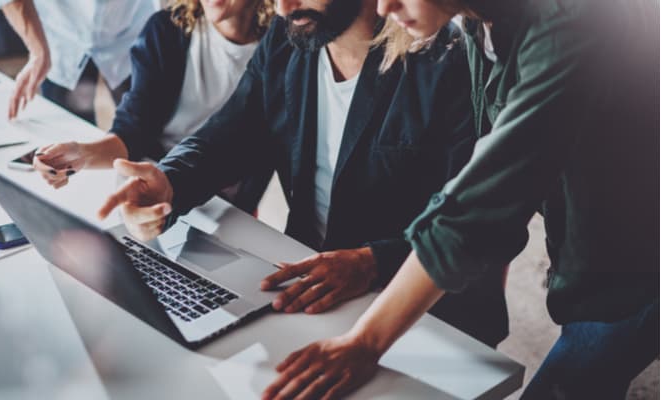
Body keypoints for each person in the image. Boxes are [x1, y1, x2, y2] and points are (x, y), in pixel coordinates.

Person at [263, 0, 659, 399]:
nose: (384, 7)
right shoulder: (477, 21)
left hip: (638, 269)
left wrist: (365, 342)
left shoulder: (571, 21)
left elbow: (482, 201)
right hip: (594, 251)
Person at [96, 0, 510, 348]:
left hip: (419, 315)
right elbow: (228, 135)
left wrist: (371, 262)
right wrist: (168, 181)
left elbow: (479, 229)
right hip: (307, 286)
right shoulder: (289, 37)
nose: (282, 8)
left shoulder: (451, 60)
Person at [31, 0, 276, 214]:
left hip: (226, 202)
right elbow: (133, 132)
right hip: (152, 185)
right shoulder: (166, 30)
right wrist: (81, 153)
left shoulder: (282, 50)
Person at [0, 0, 157, 122]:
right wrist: (38, 50)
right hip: (63, 38)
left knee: (147, 127)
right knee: (68, 137)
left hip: (133, 29)